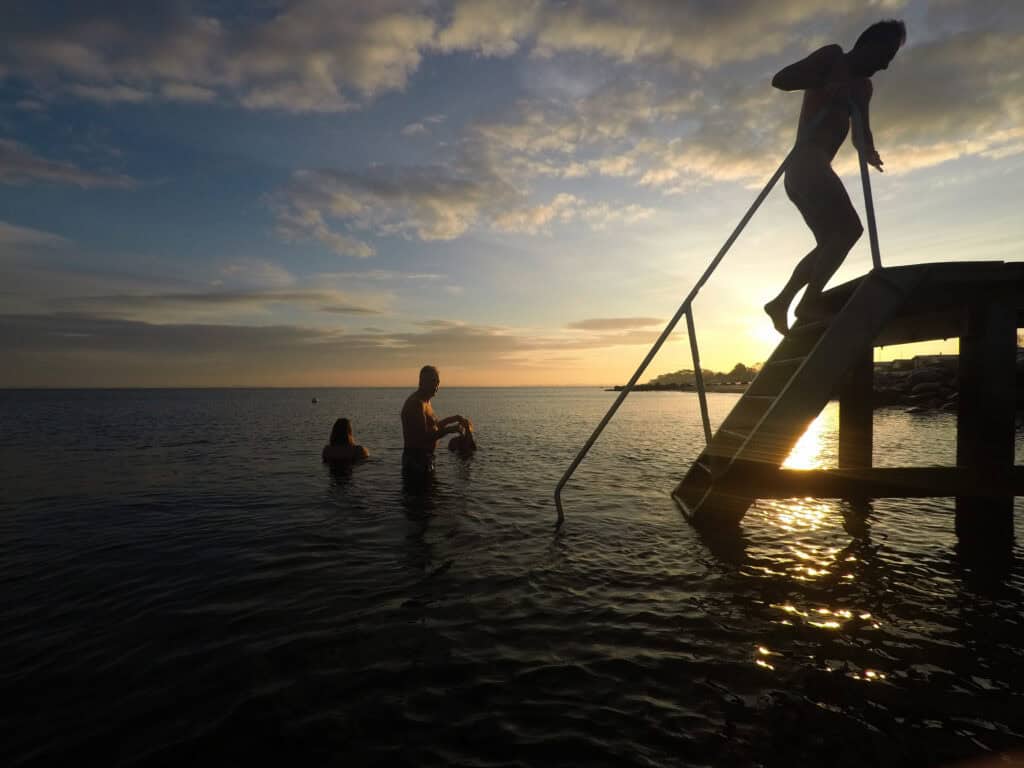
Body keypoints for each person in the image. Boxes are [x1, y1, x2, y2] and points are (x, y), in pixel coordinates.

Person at [763, 19, 906, 335]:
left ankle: (781, 301)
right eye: (885, 54)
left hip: (814, 168)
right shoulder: (833, 57)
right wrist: (824, 83)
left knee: (831, 241)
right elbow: (780, 80)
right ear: (869, 44)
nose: (885, 65)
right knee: (850, 231)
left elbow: (860, 133)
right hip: (805, 161)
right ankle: (808, 303)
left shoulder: (863, 87)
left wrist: (868, 151)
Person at [400, 365, 466, 475]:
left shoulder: (426, 401)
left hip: (425, 458)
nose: (436, 385)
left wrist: (454, 419)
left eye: (437, 382)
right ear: (422, 382)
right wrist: (449, 429)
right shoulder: (416, 404)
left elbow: (433, 427)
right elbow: (424, 437)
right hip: (415, 460)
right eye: (432, 381)